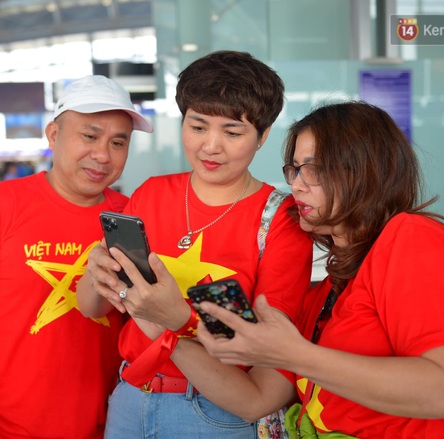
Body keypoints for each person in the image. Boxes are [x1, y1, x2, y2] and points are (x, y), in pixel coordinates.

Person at [181, 101, 444, 438]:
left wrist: (296, 355)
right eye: (295, 169)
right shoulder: (325, 294)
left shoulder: (415, 239)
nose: (298, 185)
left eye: (314, 168)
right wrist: (166, 323)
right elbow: (254, 400)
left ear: (366, 171)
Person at [76, 50, 313, 438]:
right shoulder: (151, 194)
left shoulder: (280, 219)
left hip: (216, 412)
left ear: (263, 136)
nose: (210, 146)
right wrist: (96, 273)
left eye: (232, 132)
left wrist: (177, 320)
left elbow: (265, 352)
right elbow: (92, 307)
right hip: (131, 397)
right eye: (198, 126)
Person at [0, 75, 153, 439]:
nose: (102, 154)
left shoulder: (131, 220)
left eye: (118, 142)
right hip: (0, 428)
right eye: (89, 135)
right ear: (53, 135)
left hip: (109, 428)